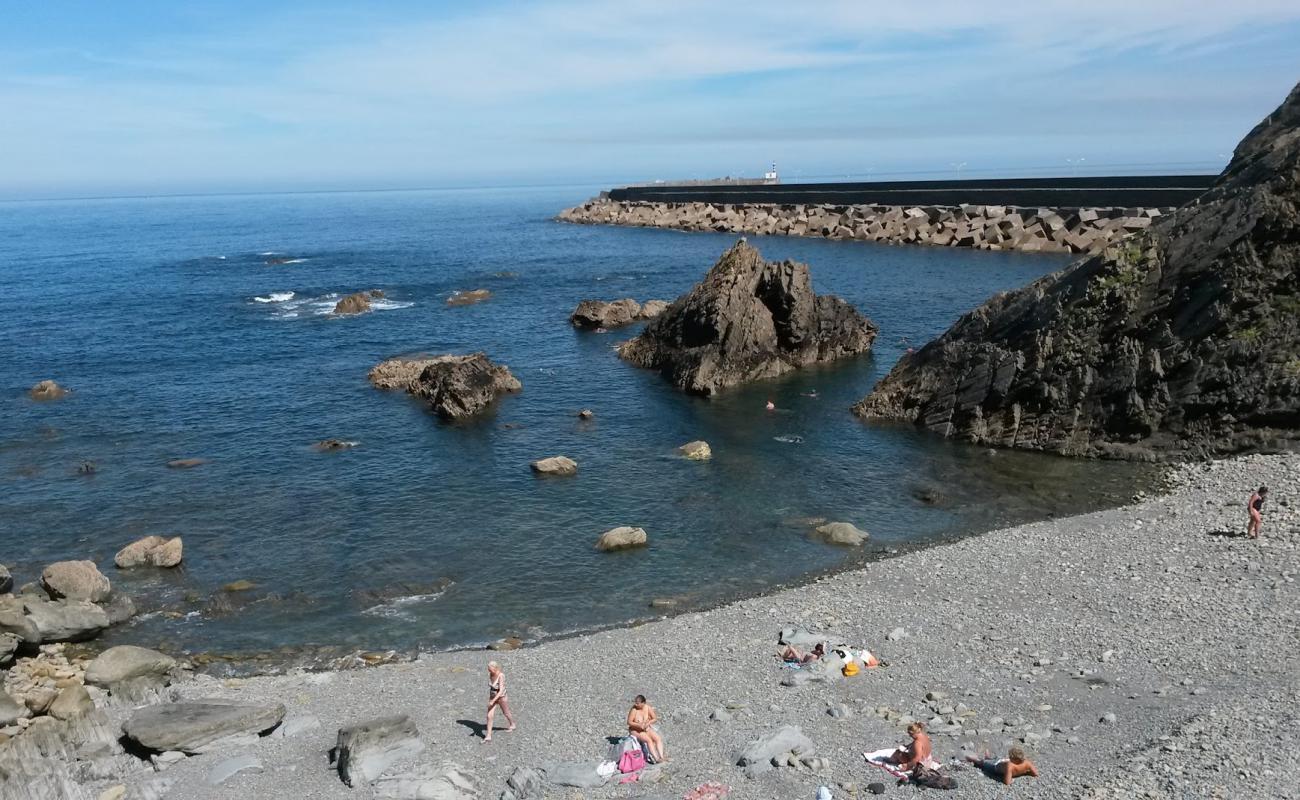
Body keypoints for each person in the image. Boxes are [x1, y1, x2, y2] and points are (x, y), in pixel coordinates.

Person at [965, 745, 1039, 785]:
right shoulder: (1027, 762)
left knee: (981, 763)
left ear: (1014, 759)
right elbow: (1035, 773)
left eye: (1010, 757)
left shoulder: (1010, 765)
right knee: (988, 761)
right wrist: (1023, 772)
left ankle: (972, 758)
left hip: (996, 765)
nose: (1009, 757)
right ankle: (986, 757)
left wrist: (1012, 774)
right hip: (999, 763)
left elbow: (1007, 782)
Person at [482, 661, 516, 743]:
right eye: (488, 669)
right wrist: (492, 699)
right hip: (492, 696)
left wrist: (493, 701)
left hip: (501, 697)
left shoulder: (501, 675)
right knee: (489, 715)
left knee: (506, 712)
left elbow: (501, 691)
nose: (489, 671)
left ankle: (512, 724)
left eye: (490, 669)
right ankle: (488, 735)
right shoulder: (491, 674)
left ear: (495, 668)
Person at [627, 694, 667, 764]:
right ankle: (656, 758)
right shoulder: (634, 710)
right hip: (636, 730)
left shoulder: (647, 708)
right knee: (649, 740)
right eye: (635, 703)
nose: (636, 704)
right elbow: (629, 722)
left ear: (643, 703)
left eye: (638, 703)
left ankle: (661, 756)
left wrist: (648, 723)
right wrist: (639, 725)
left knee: (657, 738)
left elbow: (654, 718)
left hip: (646, 727)